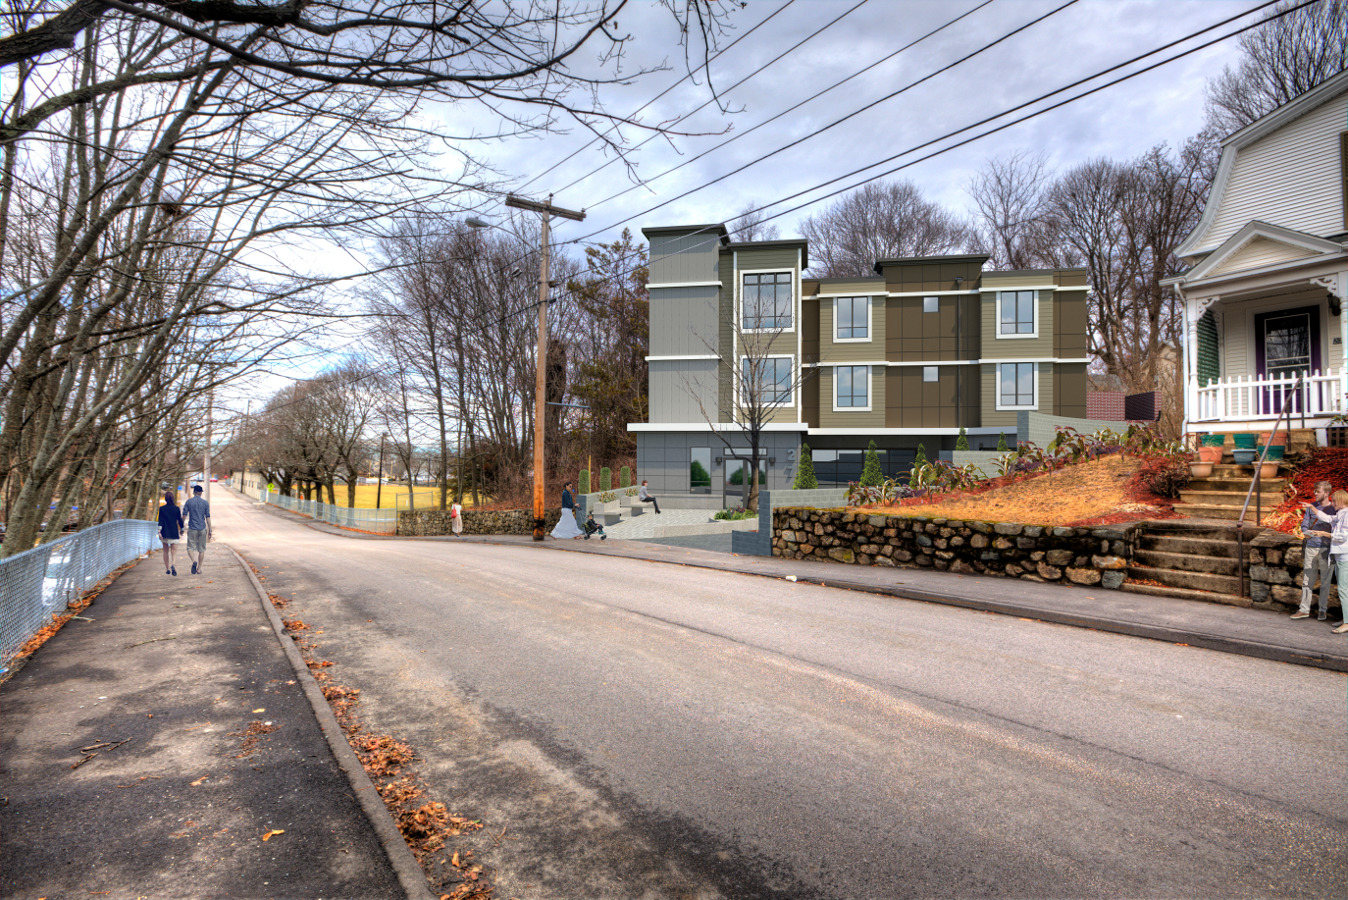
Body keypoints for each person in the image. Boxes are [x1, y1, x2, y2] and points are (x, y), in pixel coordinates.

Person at [1301, 490, 1348, 631]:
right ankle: (1346, 619)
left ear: (1340, 500)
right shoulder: (1341, 514)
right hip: (1339, 556)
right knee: (1344, 589)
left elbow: (1343, 536)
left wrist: (1324, 533)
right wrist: (1312, 507)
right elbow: (1327, 518)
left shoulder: (1347, 515)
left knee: (1343, 589)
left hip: (1345, 557)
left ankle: (1347, 623)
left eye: (1334, 501)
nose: (1332, 503)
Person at [1294, 481, 1335, 620]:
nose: (1315, 493)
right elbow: (1305, 524)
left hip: (1327, 549)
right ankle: (1304, 609)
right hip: (1311, 547)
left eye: (1318, 491)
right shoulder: (1311, 507)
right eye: (1314, 491)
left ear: (1327, 493)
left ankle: (1322, 610)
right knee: (1307, 581)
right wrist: (1308, 532)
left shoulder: (1335, 509)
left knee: (1325, 582)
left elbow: (1336, 528)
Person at [182, 484, 212, 574]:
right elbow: (208, 517)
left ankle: (193, 561)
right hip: (202, 528)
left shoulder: (188, 502)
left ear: (194, 492)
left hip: (192, 528)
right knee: (201, 549)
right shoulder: (205, 503)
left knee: (190, 548)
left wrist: (181, 526)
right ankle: (199, 569)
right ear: (200, 493)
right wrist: (210, 529)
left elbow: (184, 515)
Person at [157, 490, 184, 576]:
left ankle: (167, 568)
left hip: (165, 532)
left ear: (165, 499)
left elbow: (160, 520)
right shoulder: (176, 509)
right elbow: (179, 520)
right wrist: (182, 528)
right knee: (174, 551)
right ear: (173, 498)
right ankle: (173, 565)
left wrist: (159, 531)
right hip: (174, 532)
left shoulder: (162, 509)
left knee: (165, 551)